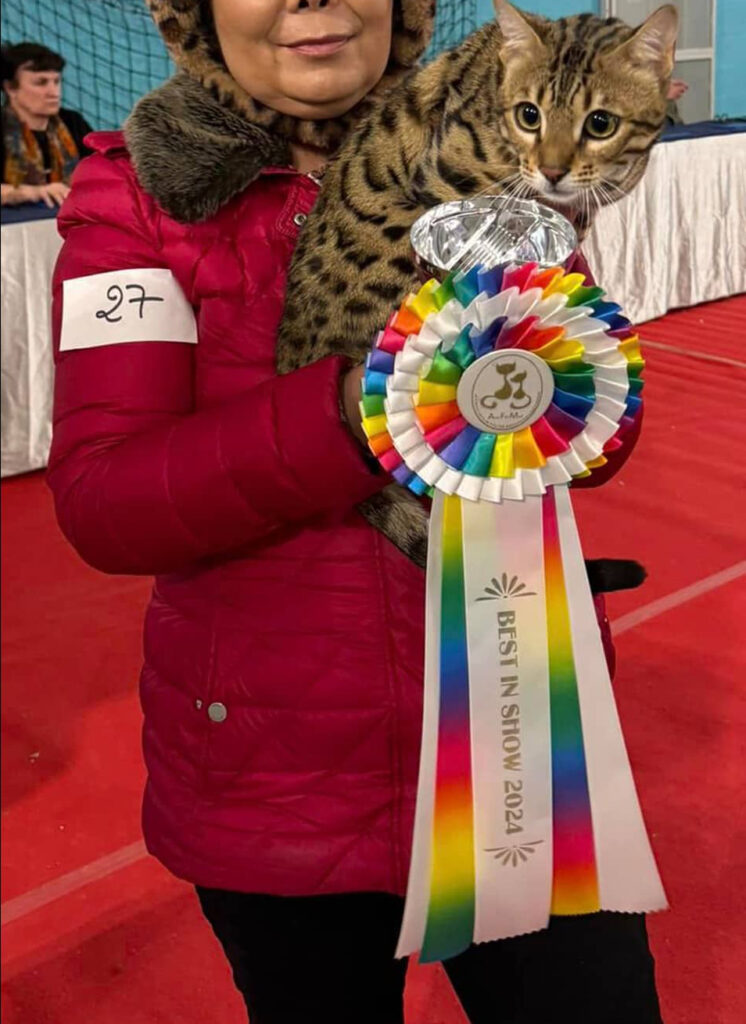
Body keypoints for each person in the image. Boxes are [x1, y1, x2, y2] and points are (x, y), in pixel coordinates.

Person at [47, 2, 661, 1022]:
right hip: (273, 784)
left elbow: (580, 426)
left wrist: (574, 396)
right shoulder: (136, 193)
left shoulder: (492, 137)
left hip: (523, 741)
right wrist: (362, 408)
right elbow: (107, 504)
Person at [1, 42, 93, 208]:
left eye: (56, 82)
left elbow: (105, 172)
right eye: (41, 83)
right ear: (10, 88)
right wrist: (34, 192)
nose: (53, 92)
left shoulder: (73, 123)